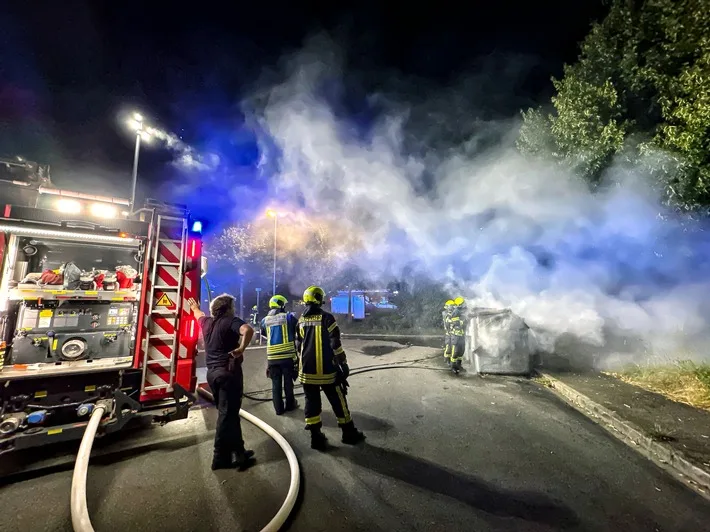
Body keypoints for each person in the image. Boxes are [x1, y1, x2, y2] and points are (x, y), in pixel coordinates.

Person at [188, 295, 255, 471]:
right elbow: (248, 330)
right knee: (226, 415)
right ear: (228, 308)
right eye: (233, 306)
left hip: (213, 375)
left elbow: (197, 314)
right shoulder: (230, 321)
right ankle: (219, 458)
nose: (234, 309)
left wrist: (194, 308)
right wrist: (241, 349)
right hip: (228, 374)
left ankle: (239, 453)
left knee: (230, 414)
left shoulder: (207, 322)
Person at [296, 285, 365, 450]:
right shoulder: (327, 318)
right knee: (338, 400)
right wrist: (343, 363)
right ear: (319, 299)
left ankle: (315, 438)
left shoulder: (301, 320)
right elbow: (336, 344)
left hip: (306, 372)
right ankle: (349, 434)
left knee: (311, 403)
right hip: (327, 371)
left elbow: (298, 344)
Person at [260, 295, 299, 415]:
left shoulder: (265, 320)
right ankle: (290, 405)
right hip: (287, 356)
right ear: (282, 305)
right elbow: (297, 331)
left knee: (275, 384)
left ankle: (278, 409)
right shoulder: (289, 317)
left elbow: (265, 335)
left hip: (272, 358)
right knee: (288, 382)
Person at [449, 296, 467, 375]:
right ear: (459, 304)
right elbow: (453, 321)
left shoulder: (462, 311)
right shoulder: (456, 311)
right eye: (462, 303)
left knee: (461, 351)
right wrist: (463, 321)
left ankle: (459, 365)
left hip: (461, 335)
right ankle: (453, 367)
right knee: (455, 351)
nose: (464, 304)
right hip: (456, 335)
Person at [443, 299, 455, 365]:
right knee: (448, 346)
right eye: (451, 306)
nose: (452, 308)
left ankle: (448, 359)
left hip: (451, 332)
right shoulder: (446, 314)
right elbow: (447, 323)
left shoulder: (449, 313)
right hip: (449, 333)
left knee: (452, 346)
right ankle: (447, 359)